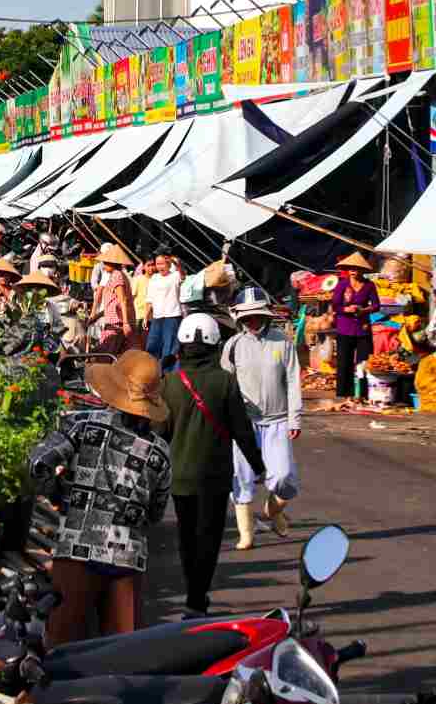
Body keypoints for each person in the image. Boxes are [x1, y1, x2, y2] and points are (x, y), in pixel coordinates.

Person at [32, 349, 172, 645]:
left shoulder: (82, 424)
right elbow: (156, 513)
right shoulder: (160, 452)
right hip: (127, 558)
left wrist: (59, 495)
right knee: (119, 653)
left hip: (76, 549)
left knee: (60, 646)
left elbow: (38, 462)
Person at [161, 313, 267, 616]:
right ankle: (197, 599)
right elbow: (242, 431)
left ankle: (194, 595)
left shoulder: (168, 383)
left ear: (181, 345)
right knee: (208, 538)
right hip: (215, 477)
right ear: (214, 346)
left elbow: (161, 432)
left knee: (187, 538)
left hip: (180, 476)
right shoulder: (225, 381)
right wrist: (258, 466)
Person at [221, 286, 301, 548]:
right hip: (243, 423)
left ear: (266, 315)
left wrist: (294, 418)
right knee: (241, 476)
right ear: (240, 319)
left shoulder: (282, 342)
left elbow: (292, 381)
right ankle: (246, 533)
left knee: (282, 476)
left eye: (257, 316)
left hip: (277, 420)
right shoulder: (233, 346)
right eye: (247, 317)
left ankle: (273, 509)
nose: (253, 321)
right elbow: (225, 384)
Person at [330, 253, 381, 384]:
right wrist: (346, 309)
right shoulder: (342, 285)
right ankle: (344, 393)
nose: (353, 270)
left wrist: (363, 310)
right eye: (351, 267)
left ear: (362, 270)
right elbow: (335, 306)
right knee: (344, 362)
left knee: (363, 362)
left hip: (363, 329)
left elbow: (376, 306)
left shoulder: (369, 285)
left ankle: (362, 393)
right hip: (344, 328)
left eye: (356, 268)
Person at [90, 242, 136, 355]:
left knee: (106, 354)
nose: (103, 266)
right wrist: (96, 316)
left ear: (113, 263)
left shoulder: (117, 275)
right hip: (112, 320)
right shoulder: (113, 275)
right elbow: (112, 303)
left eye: (106, 263)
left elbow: (122, 300)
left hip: (117, 323)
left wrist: (125, 323)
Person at [144, 255, 184, 369]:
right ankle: (151, 371)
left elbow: (183, 275)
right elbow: (149, 298)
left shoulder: (175, 276)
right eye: (158, 264)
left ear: (168, 264)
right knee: (152, 345)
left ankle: (168, 375)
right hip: (157, 317)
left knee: (169, 347)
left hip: (172, 316)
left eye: (162, 263)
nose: (160, 266)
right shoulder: (154, 278)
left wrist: (176, 263)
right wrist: (146, 316)